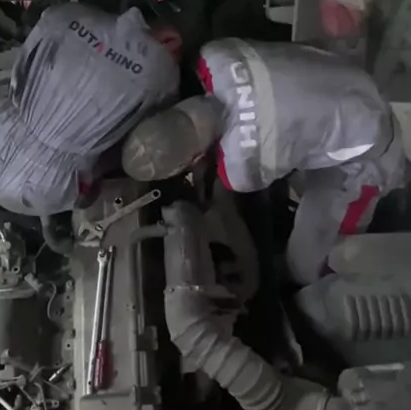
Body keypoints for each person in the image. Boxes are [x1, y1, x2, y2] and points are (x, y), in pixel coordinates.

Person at [121, 37, 407, 286]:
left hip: (371, 149)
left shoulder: (239, 170)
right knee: (296, 156)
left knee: (307, 266)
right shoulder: (215, 56)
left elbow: (232, 177)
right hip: (355, 80)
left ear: (194, 158)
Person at [0, 1, 181, 219]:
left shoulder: (67, 15)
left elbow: (25, 57)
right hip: (42, 191)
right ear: (169, 39)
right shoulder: (161, 72)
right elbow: (154, 119)